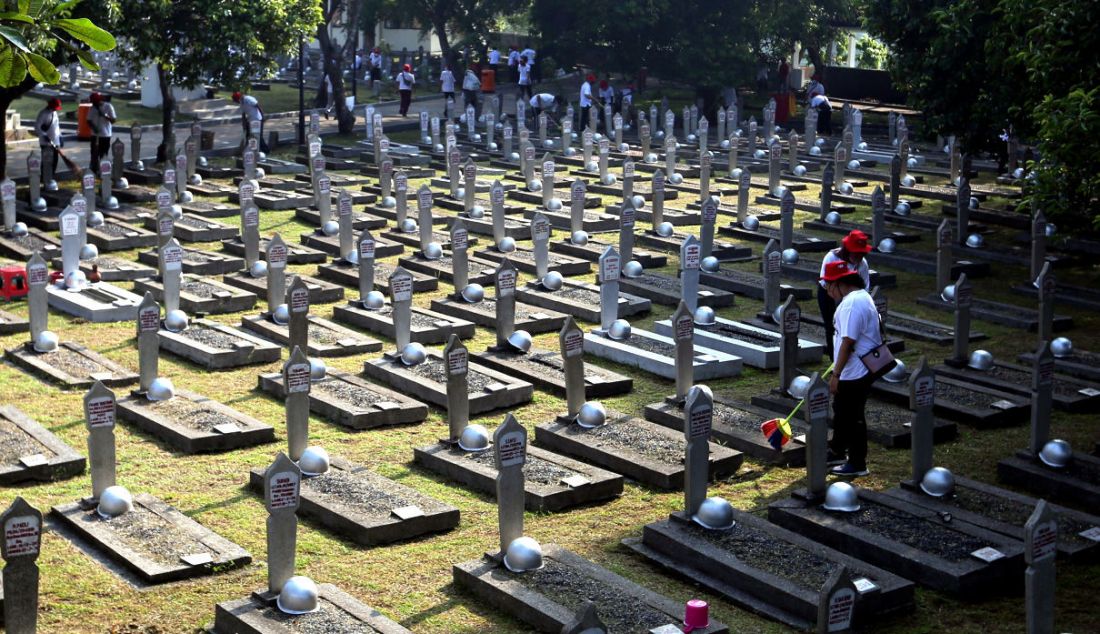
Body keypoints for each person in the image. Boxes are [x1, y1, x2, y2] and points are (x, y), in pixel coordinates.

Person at [820, 258, 882, 477]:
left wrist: (836, 374)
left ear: (840, 283)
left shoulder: (851, 304)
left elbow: (848, 341)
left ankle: (857, 462)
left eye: (828, 285)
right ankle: (838, 449)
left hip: (855, 371)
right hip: (857, 367)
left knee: (853, 415)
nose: (828, 291)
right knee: (842, 411)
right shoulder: (862, 297)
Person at [818, 230, 872, 359]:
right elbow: (825, 281)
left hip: (852, 298)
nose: (858, 257)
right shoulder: (832, 257)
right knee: (832, 326)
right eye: (856, 253)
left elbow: (865, 286)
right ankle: (834, 357)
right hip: (829, 294)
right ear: (848, 250)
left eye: (861, 254)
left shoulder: (862, 264)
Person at [35, 97, 62, 185]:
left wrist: (60, 137)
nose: (56, 109)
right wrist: (44, 135)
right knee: (47, 161)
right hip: (46, 143)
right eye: (55, 107)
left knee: (55, 161)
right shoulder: (43, 114)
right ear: (51, 106)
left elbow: (56, 126)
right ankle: (44, 179)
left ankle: (51, 177)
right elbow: (37, 127)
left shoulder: (54, 113)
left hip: (55, 141)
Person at [87, 92, 116, 169]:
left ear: (98, 101)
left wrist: (104, 115)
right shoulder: (92, 108)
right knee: (94, 153)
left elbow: (113, 120)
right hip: (95, 135)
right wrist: (94, 128)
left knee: (103, 154)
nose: (93, 104)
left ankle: (104, 170)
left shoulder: (108, 106)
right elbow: (88, 120)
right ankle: (94, 169)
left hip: (105, 135)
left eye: (94, 102)